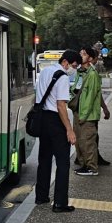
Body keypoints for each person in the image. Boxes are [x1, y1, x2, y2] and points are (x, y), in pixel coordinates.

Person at [34, 49, 78, 213]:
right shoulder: (63, 76)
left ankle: (41, 196)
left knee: (44, 159)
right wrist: (69, 129)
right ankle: (60, 202)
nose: (72, 69)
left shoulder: (45, 71)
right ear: (65, 61)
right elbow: (61, 106)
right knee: (63, 162)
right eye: (73, 65)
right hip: (55, 121)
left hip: (42, 119)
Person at [73, 46, 111, 176]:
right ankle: (84, 165)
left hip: (87, 116)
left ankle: (91, 168)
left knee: (88, 141)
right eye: (80, 53)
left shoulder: (92, 74)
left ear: (90, 58)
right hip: (78, 112)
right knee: (79, 142)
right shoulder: (80, 72)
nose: (80, 56)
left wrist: (83, 115)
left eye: (83, 54)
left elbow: (90, 97)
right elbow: (74, 90)